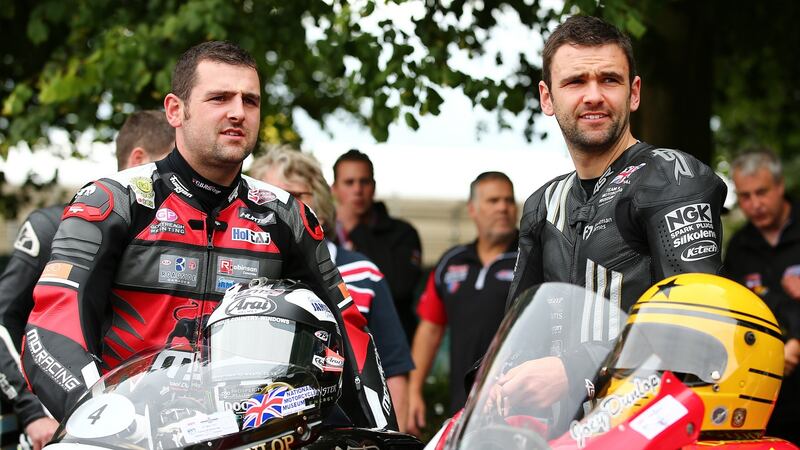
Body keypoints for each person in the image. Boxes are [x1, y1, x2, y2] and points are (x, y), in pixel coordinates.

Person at [21, 41, 394, 430]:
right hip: (127, 436)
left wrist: (380, 434)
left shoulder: (288, 216)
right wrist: (104, 420)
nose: (238, 112)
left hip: (247, 435)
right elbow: (50, 327)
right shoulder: (114, 200)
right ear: (175, 110)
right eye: (219, 98)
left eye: (250, 101)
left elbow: (350, 334)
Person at [499, 15, 727, 411]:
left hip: (652, 428)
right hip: (563, 437)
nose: (593, 96)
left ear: (634, 92)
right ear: (547, 97)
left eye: (609, 79)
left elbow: (696, 325)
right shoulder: (542, 204)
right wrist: (487, 392)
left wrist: (574, 370)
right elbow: (518, 337)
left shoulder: (671, 178)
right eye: (575, 82)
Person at [0, 110, 174, 450]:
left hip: (150, 424)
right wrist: (34, 412)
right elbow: (3, 320)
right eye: (172, 163)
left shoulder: (173, 239)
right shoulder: (52, 226)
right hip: (62, 422)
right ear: (139, 158)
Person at [249, 146, 414, 431]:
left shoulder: (363, 273)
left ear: (322, 202)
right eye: (270, 196)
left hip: (347, 436)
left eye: (296, 196)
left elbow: (394, 368)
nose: (283, 207)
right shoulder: (245, 274)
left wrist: (390, 440)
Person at [407, 171, 518, 434]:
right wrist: (413, 391)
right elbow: (430, 329)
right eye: (493, 200)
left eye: (508, 200)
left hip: (518, 408)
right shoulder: (450, 262)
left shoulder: (532, 256)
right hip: (462, 409)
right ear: (473, 209)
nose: (503, 207)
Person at [723, 150, 800, 443]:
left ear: (780, 186)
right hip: (764, 391)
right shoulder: (739, 247)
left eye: (762, 192)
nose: (754, 204)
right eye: (745, 196)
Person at [331, 149, 423, 342]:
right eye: (349, 182)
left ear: (373, 187)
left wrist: (355, 228)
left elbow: (399, 288)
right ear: (334, 189)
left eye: (364, 182)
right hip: (341, 342)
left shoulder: (403, 233)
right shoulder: (324, 234)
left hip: (391, 343)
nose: (357, 189)